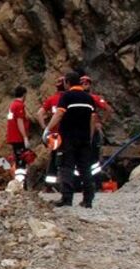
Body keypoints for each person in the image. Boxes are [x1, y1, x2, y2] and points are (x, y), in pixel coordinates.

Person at [44, 71, 96, 208]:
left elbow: (59, 114)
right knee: (85, 168)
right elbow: (93, 119)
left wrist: (48, 129)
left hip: (68, 138)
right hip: (84, 138)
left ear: (67, 83)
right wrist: (90, 137)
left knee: (66, 167)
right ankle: (88, 199)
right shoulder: (88, 98)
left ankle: (67, 198)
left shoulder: (67, 97)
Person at [81, 75, 113, 188]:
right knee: (91, 158)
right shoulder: (93, 98)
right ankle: (93, 182)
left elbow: (108, 109)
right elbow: (108, 109)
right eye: (84, 83)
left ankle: (89, 182)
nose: (85, 85)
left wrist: (101, 122)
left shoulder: (90, 98)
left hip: (85, 131)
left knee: (91, 158)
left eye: (86, 83)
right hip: (87, 130)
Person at [38, 77, 66, 186]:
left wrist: (45, 128)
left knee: (54, 157)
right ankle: (69, 183)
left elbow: (39, 113)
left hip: (54, 135)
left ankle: (50, 185)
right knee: (68, 157)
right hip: (67, 133)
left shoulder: (51, 99)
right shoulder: (69, 98)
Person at [6, 85, 31, 185]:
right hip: (18, 138)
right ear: (24, 94)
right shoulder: (19, 106)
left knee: (17, 159)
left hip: (12, 137)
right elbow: (20, 122)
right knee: (21, 161)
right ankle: (21, 184)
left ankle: (19, 183)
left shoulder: (12, 105)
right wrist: (25, 137)